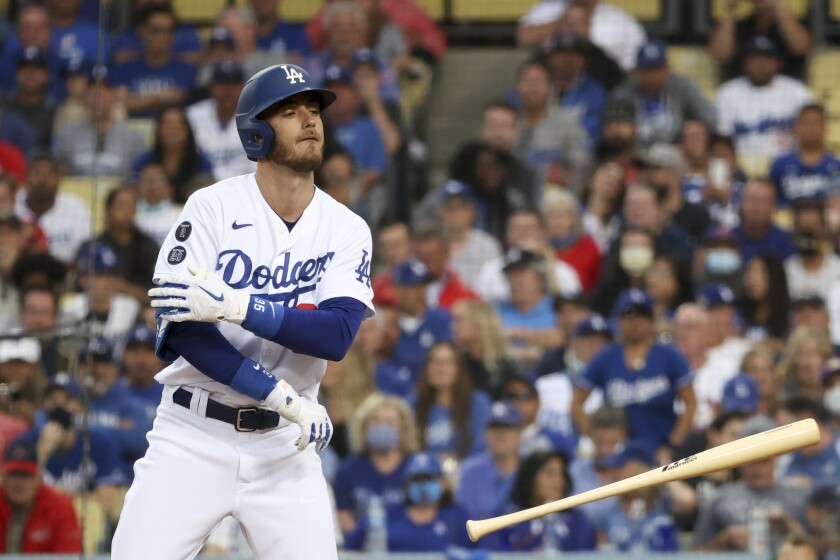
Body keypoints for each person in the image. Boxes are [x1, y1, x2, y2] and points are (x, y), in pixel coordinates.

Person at [113, 64, 375, 558]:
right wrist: (276, 393)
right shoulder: (209, 207)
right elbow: (182, 331)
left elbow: (336, 334)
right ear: (255, 132)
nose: (310, 121)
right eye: (290, 112)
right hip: (194, 433)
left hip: (286, 447)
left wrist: (237, 305)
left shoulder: (346, 227)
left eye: (314, 110)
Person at [572, 288, 696, 461]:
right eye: (629, 314)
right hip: (618, 458)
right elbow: (577, 402)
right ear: (618, 319)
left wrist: (673, 445)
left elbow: (690, 402)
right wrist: (596, 439)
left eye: (642, 314)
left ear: (652, 319)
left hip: (661, 454)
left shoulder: (668, 355)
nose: (635, 321)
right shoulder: (606, 357)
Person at [693, 415, 808, 551]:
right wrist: (724, 540)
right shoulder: (718, 498)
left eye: (764, 460)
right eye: (751, 461)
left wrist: (789, 527)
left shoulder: (798, 495)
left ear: (776, 459)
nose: (758, 469)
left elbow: (822, 550)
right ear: (740, 460)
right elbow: (695, 552)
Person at [715, 36, 812, 176]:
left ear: (778, 63)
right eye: (754, 58)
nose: (760, 63)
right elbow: (722, 143)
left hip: (788, 169)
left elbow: (811, 133)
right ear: (744, 63)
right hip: (740, 170)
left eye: (767, 58)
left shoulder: (797, 91)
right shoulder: (727, 93)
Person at [333, 393, 419, 534]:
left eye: (390, 422)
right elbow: (343, 515)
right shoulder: (349, 468)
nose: (382, 427)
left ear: (403, 430)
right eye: (375, 421)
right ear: (364, 427)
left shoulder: (417, 467)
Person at [610, 38, 716, 150]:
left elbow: (710, 117)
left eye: (657, 69)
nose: (652, 76)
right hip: (635, 155)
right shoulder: (624, 92)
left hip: (676, 154)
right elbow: (610, 131)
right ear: (636, 71)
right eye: (647, 70)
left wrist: (693, 128)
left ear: (667, 68)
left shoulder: (681, 86)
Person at [513, 58, 589, 195]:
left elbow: (581, 165)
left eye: (537, 82)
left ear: (550, 88)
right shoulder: (509, 123)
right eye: (527, 82)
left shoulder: (567, 123)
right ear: (518, 87)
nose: (532, 88)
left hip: (557, 197)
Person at [496, 450, 596, 551]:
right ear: (530, 478)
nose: (558, 481)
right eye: (550, 474)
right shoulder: (508, 520)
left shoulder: (577, 522)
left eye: (561, 475)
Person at [110, 4, 198, 117]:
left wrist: (138, 101)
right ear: (142, 32)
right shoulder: (124, 70)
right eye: (156, 31)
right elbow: (120, 104)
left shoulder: (188, 71)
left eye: (168, 31)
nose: (163, 37)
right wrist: (158, 99)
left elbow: (192, 107)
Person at [76, 186, 158, 302]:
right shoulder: (93, 247)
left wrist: (125, 289)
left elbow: (157, 292)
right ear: (109, 210)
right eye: (121, 205)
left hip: (141, 311)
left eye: (132, 205)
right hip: (101, 308)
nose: (127, 210)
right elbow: (80, 285)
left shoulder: (148, 246)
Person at [413, 341, 491, 460]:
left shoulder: (478, 403)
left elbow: (481, 449)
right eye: (434, 362)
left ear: (458, 369)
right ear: (426, 369)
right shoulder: (413, 404)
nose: (440, 368)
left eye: (447, 362)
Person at [0, 439, 82, 553]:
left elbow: (68, 555)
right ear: (3, 477)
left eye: (25, 475)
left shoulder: (60, 507)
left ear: (38, 478)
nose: (18, 483)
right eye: (13, 475)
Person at [517, 0, 646, 72]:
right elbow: (523, 39)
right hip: (550, 87)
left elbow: (636, 70)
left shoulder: (623, 22)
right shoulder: (545, 10)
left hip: (605, 88)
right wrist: (562, 21)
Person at [14, 152, 91, 264]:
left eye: (49, 174)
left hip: (64, 275)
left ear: (59, 178)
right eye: (37, 173)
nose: (42, 180)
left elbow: (85, 252)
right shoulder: (13, 203)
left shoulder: (75, 207)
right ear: (26, 176)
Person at [186, 60, 256, 182]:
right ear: (211, 88)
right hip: (202, 190)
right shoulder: (192, 116)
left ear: (243, 88)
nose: (227, 92)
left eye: (233, 86)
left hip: (245, 190)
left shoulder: (256, 118)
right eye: (222, 86)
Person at [708, 0, 811, 80]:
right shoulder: (740, 27)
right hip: (743, 92)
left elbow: (800, 48)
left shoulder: (793, 25)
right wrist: (730, 10)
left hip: (785, 91)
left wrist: (777, 6)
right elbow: (720, 56)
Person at [131, 105, 214, 204]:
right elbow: (133, 194)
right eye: (167, 125)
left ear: (188, 130)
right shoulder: (144, 161)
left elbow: (208, 196)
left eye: (177, 126)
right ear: (158, 130)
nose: (172, 131)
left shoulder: (201, 162)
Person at [455, 400, 522, 522]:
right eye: (495, 428)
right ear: (485, 433)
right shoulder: (470, 471)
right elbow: (462, 517)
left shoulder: (530, 469)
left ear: (519, 434)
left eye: (506, 428)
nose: (500, 435)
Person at [437, 180, 503, 292]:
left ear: (472, 210)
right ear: (441, 212)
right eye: (450, 208)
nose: (456, 213)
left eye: (461, 207)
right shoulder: (434, 245)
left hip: (478, 305)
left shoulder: (488, 245)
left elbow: (497, 284)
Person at [770, 104, 840, 205]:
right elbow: (772, 201)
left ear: (825, 127)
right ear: (796, 127)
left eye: (816, 123)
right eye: (806, 122)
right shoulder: (780, 164)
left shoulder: (836, 166)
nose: (811, 128)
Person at [541, 189, 601, 292]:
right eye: (552, 214)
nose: (557, 221)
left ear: (573, 218)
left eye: (563, 215)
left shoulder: (589, 247)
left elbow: (597, 284)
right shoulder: (538, 247)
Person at [785, 200, 840, 302]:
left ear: (824, 229)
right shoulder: (784, 272)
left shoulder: (838, 270)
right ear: (794, 231)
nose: (808, 234)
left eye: (813, 227)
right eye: (802, 227)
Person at [412, 229, 478, 311]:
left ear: (446, 253)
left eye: (432, 256)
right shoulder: (403, 290)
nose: (427, 263)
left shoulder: (465, 297)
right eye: (421, 257)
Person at [733, 179, 796, 261]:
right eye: (752, 200)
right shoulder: (726, 239)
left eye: (763, 202)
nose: (756, 208)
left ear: (774, 208)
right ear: (741, 203)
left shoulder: (787, 242)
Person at [6, 47, 56, 150]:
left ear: (47, 75)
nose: (29, 74)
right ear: (17, 74)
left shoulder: (54, 110)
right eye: (24, 68)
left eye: (36, 68)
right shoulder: (4, 104)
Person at [133, 163, 185, 246]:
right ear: (138, 185)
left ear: (169, 188)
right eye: (148, 180)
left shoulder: (181, 214)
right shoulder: (130, 215)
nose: (152, 185)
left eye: (158, 180)